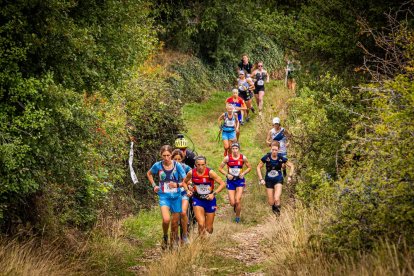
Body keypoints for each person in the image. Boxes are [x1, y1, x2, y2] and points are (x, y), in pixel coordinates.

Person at [146, 145, 187, 249]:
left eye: (168, 155)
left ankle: (173, 245)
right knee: (166, 220)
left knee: (174, 224)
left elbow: (186, 180)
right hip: (164, 197)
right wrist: (154, 185)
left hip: (176, 197)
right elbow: (149, 173)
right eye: (164, 155)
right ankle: (165, 236)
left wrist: (177, 185)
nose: (166, 158)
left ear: (171, 155)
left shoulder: (177, 165)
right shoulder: (158, 165)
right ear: (161, 155)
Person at [182, 156, 226, 235]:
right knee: (201, 223)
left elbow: (222, 184)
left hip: (210, 200)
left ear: (206, 164)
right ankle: (202, 244)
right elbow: (184, 182)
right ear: (195, 164)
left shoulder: (210, 173)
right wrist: (187, 190)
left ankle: (208, 232)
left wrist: (213, 194)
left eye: (202, 164)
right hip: (197, 199)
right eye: (198, 165)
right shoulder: (191, 172)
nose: (200, 167)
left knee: (209, 229)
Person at [257, 141, 294, 215]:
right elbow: (258, 167)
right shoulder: (266, 157)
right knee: (271, 202)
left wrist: (290, 176)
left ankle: (278, 218)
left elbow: (292, 165)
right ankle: (275, 213)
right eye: (273, 149)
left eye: (276, 150)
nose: (274, 151)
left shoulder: (280, 157)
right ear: (270, 149)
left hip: (278, 179)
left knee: (277, 198)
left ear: (278, 150)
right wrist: (261, 179)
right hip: (268, 180)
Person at [218, 142, 251, 223]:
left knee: (237, 200)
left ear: (239, 149)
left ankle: (237, 217)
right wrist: (227, 174)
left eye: (236, 148)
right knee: (232, 203)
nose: (235, 150)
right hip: (231, 181)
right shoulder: (227, 158)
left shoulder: (243, 157)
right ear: (231, 149)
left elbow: (249, 167)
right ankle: (235, 207)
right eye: (233, 149)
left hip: (240, 180)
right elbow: (220, 168)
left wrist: (243, 173)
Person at [171, 149, 192, 244]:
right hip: (172, 194)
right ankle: (174, 238)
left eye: (179, 159)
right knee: (174, 219)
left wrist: (190, 185)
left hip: (183, 192)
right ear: (172, 159)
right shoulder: (168, 168)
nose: (177, 161)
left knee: (183, 213)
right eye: (175, 159)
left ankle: (184, 235)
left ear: (182, 159)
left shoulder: (186, 168)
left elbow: (191, 179)